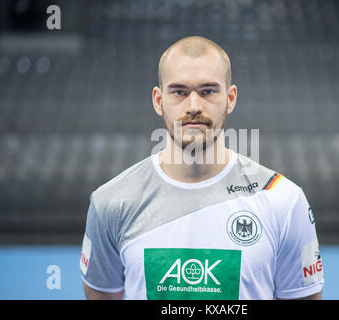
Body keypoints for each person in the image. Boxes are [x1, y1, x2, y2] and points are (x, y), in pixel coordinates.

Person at [80, 36, 324, 300]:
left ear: (230, 98)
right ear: (158, 100)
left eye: (208, 91)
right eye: (179, 92)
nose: (194, 107)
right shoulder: (111, 202)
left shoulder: (283, 200)